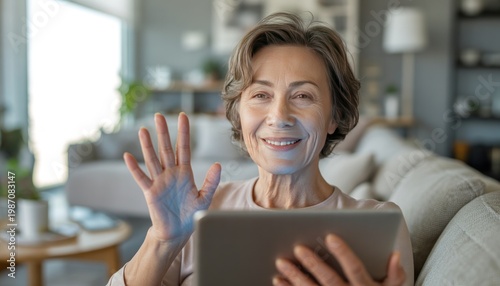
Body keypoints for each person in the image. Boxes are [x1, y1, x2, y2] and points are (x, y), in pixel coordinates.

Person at [107, 12, 413, 286]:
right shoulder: (199, 215)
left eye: (303, 96)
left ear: (335, 116)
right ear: (239, 111)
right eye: (261, 95)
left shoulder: (380, 227)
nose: (279, 116)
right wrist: (162, 240)